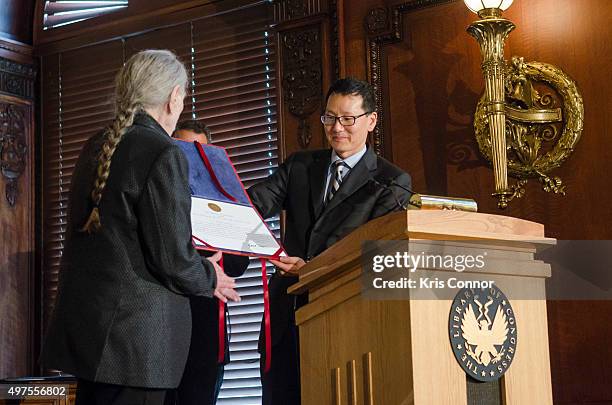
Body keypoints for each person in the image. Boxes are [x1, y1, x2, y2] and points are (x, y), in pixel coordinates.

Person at [41, 50, 240, 405]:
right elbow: (173, 258)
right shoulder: (164, 152)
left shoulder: (96, 145)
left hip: (89, 339)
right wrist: (211, 277)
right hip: (137, 345)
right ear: (173, 97)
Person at [248, 77, 413, 404]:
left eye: (348, 119)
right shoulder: (300, 166)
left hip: (345, 322)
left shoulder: (391, 181)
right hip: (286, 319)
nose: (337, 128)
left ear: (371, 120)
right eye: (329, 117)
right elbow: (252, 206)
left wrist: (311, 270)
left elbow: (375, 259)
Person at [172, 120, 250, 405]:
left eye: (199, 151)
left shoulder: (224, 200)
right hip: (164, 333)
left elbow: (239, 266)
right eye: (183, 150)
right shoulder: (160, 194)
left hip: (208, 338)